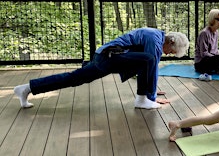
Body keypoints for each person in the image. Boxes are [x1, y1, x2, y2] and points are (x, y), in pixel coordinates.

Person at [14, 28, 189, 110]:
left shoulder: (155, 37)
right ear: (170, 42)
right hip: (109, 57)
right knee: (149, 59)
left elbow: (147, 69)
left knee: (73, 78)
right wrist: (151, 97)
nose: (168, 54)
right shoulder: (154, 39)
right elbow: (151, 64)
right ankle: (142, 100)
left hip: (107, 57)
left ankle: (27, 88)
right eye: (171, 52)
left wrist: (153, 92)